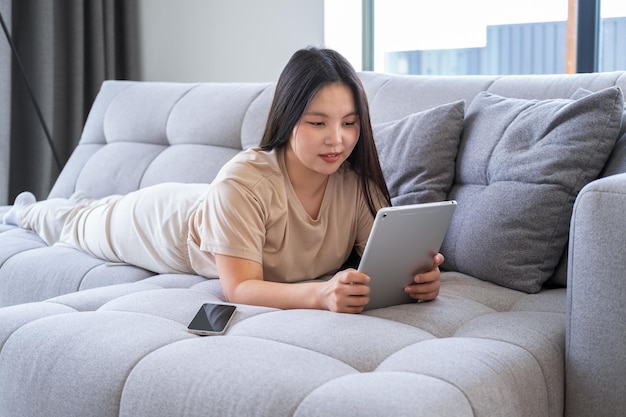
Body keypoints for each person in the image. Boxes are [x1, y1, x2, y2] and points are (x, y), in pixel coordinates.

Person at [2, 47, 443, 314]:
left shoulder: (354, 183)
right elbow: (240, 287)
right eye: (318, 123)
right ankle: (27, 208)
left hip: (215, 208)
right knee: (72, 222)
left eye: (349, 122)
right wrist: (320, 295)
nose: (338, 139)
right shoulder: (245, 181)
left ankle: (73, 203)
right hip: (163, 224)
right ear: (289, 120)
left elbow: (379, 259)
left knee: (87, 208)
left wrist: (417, 279)